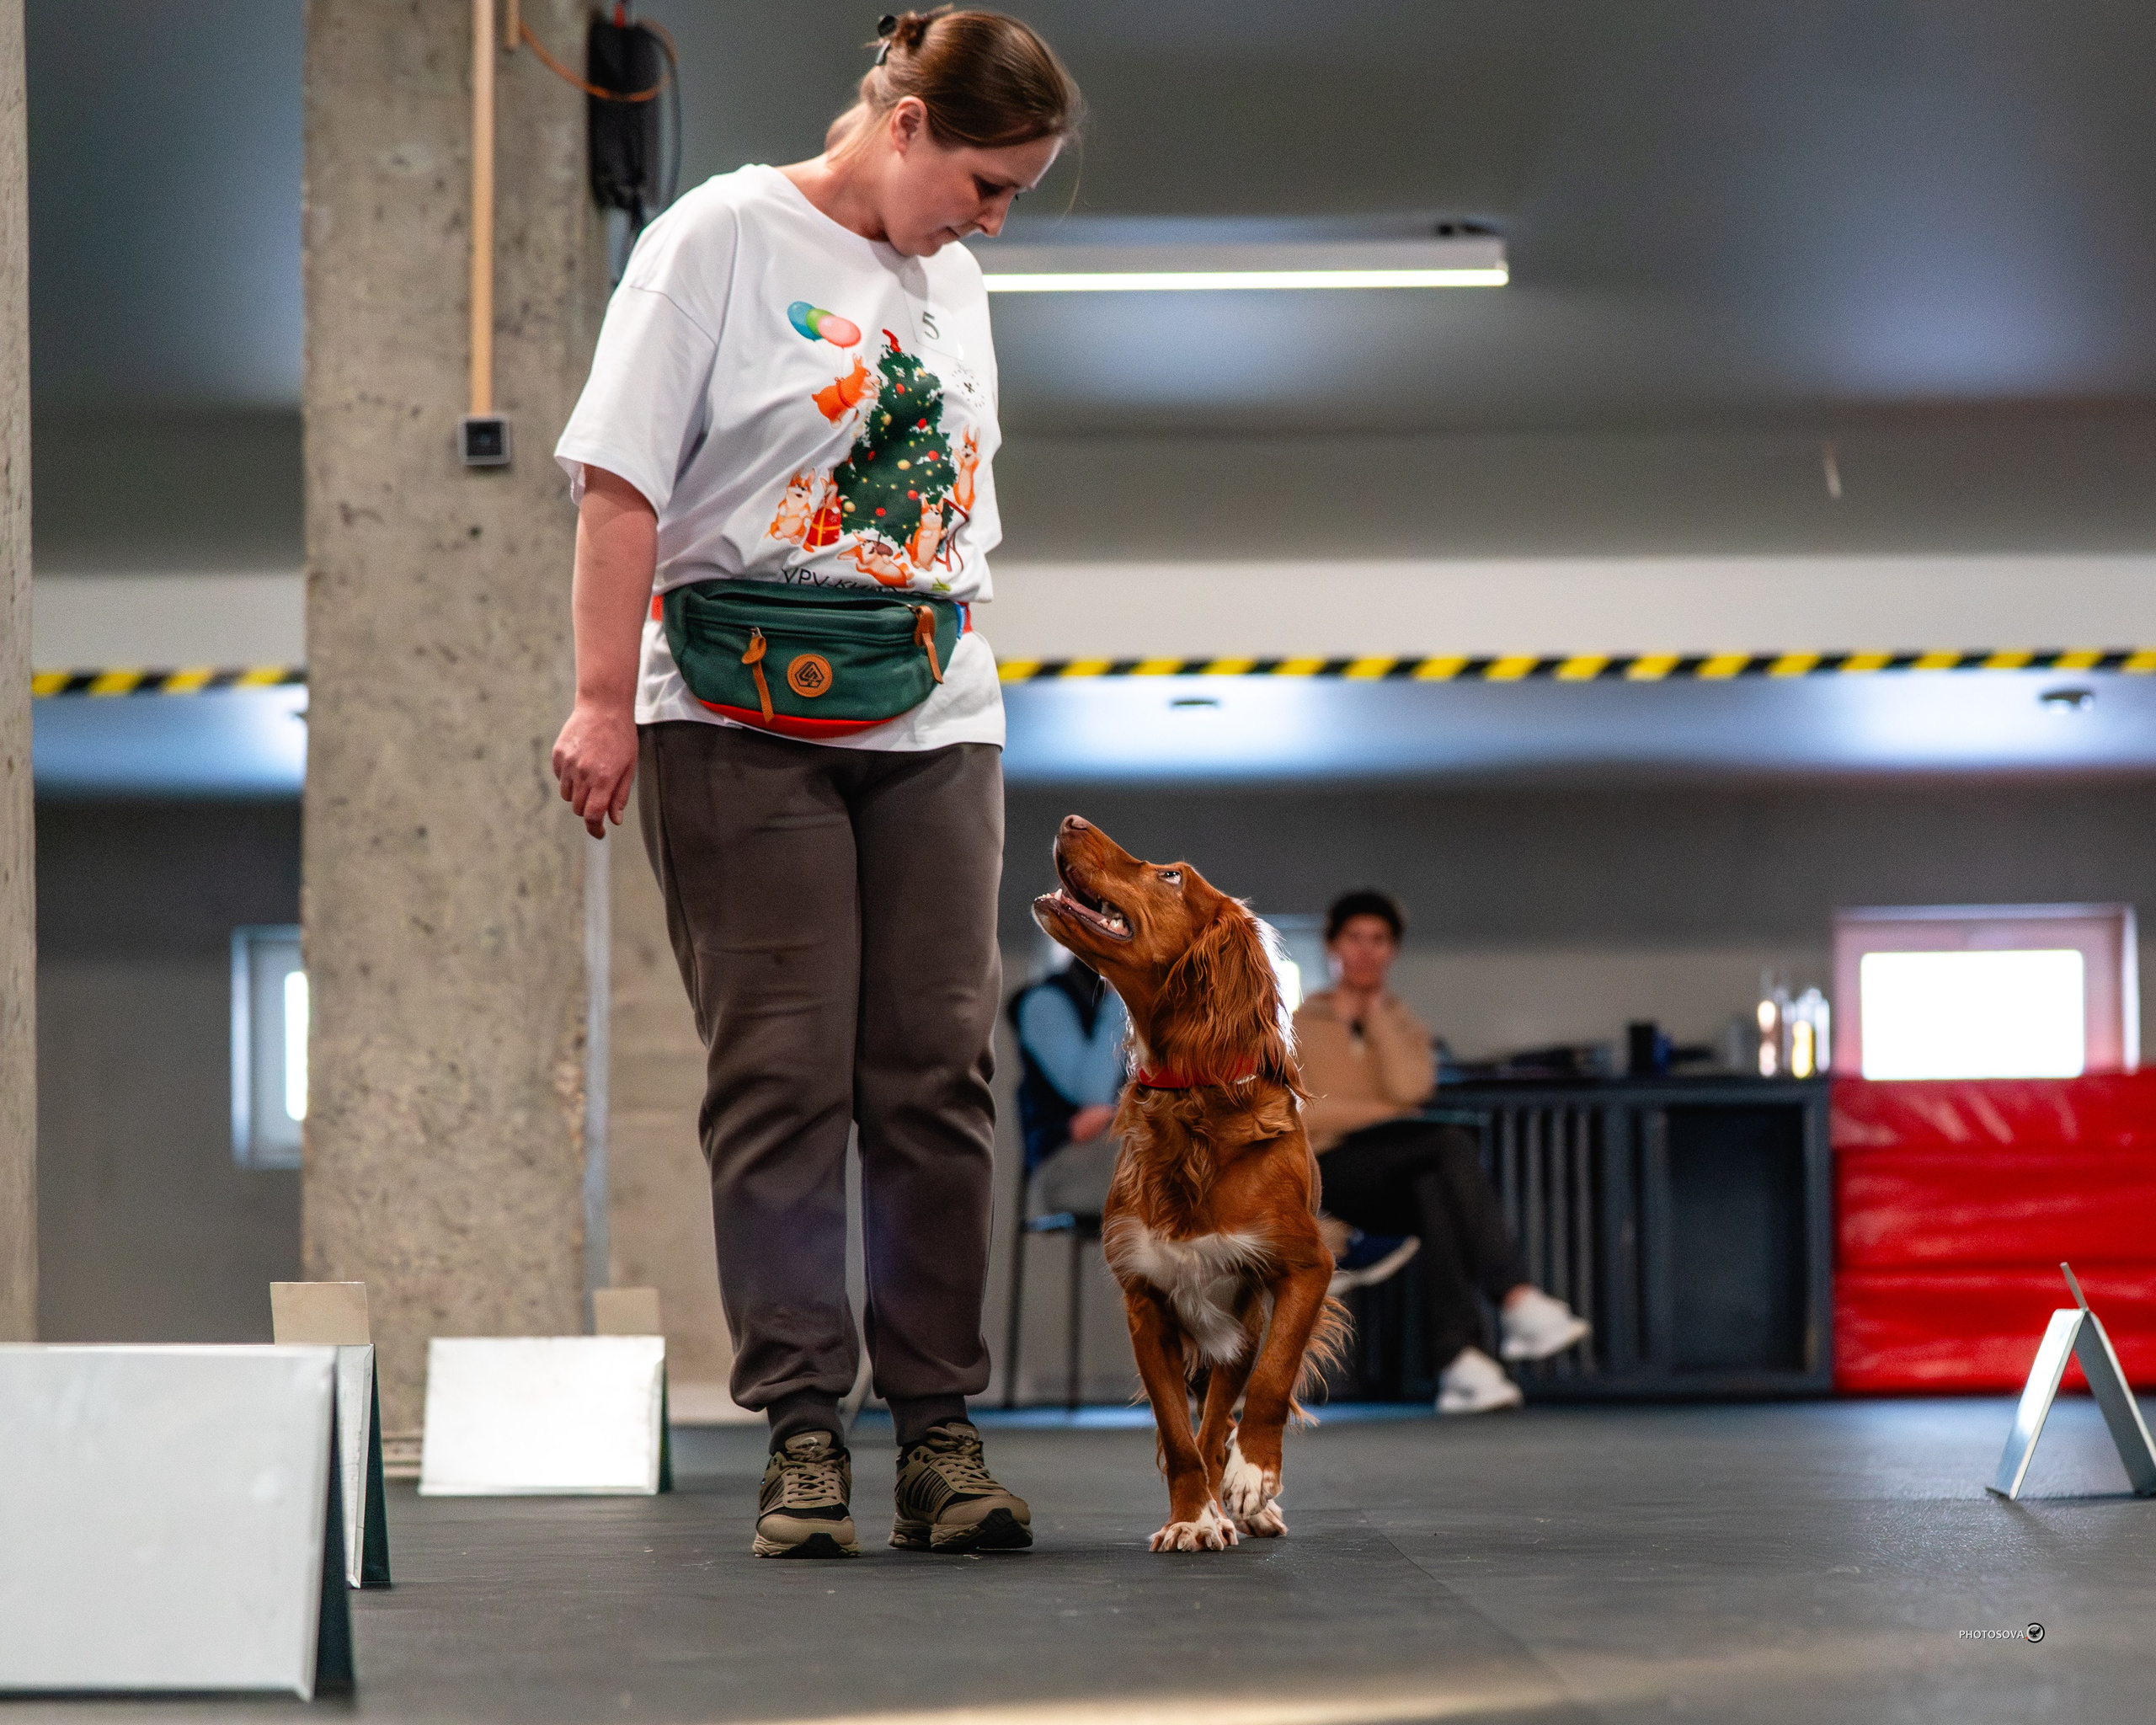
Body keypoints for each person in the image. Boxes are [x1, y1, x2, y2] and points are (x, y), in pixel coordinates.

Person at [549, 10, 1083, 1558]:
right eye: (988, 181)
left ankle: (938, 1433)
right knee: (782, 1075)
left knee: (936, 1068)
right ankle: (801, 1431)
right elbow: (620, 483)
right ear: (905, 124)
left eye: (1017, 194)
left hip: (934, 702)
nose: (994, 219)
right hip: (734, 705)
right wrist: (601, 702)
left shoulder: (956, 284)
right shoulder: (715, 236)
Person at [1294, 889, 1591, 1413]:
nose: (1366, 951)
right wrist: (1382, 1112)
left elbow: (1412, 1088)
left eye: (1379, 940)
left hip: (1397, 1169)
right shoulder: (1302, 1022)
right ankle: (1515, 1299)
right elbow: (1305, 1114)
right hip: (1326, 1167)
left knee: (1436, 1189)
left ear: (1393, 951)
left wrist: (1377, 1016)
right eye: (1354, 939)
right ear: (1334, 946)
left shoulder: (1403, 1021)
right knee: (1448, 1145)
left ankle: (1461, 1363)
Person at [1011, 958, 1128, 1219]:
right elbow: (1093, 1094)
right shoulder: (1044, 1002)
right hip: (1066, 1164)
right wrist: (1121, 998)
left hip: (1114, 1147)